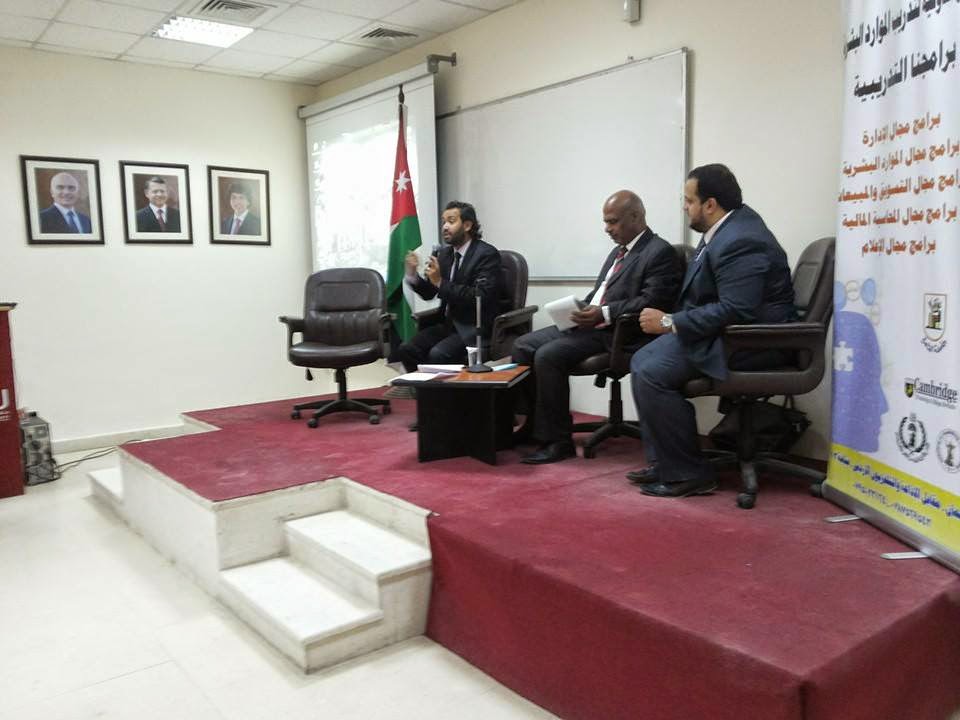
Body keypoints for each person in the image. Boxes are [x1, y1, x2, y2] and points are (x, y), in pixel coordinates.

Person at [627, 164, 796, 497]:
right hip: (729, 333)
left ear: (710, 204)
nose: (684, 207)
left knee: (652, 371)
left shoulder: (741, 239)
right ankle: (666, 462)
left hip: (753, 342)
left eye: (689, 200)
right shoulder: (726, 230)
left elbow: (737, 309)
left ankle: (689, 474)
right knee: (643, 359)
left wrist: (670, 322)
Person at [511, 190, 682, 464]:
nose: (607, 229)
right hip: (592, 324)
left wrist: (604, 312)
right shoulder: (618, 251)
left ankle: (558, 441)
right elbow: (602, 292)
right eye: (606, 222)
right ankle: (535, 425)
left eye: (613, 221)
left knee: (548, 356)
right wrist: (581, 308)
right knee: (521, 346)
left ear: (635, 216)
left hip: (619, 333)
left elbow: (653, 302)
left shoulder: (659, 252)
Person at [397, 200, 501, 372]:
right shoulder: (444, 254)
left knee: (438, 354)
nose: (445, 226)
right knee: (406, 349)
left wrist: (439, 282)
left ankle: (444, 390)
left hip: (473, 327)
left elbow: (478, 296)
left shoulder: (487, 254)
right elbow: (430, 293)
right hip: (447, 324)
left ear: (467, 225)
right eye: (443, 222)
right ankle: (424, 389)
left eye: (451, 221)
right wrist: (412, 275)